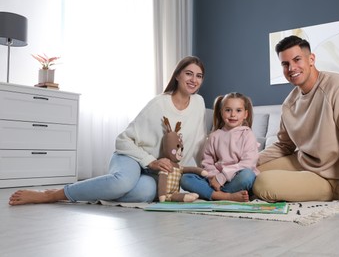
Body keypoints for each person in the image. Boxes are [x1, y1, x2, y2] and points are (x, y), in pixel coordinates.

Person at [9, 56, 207, 205]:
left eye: (199, 76)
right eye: (189, 73)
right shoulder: (159, 104)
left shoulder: (198, 103)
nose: (193, 80)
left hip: (156, 172)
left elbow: (198, 142)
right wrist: (151, 161)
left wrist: (202, 174)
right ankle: (52, 194)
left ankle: (89, 192)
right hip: (132, 157)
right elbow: (122, 140)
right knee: (122, 183)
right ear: (178, 75)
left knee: (146, 193)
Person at [253, 35, 339, 213]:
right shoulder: (289, 103)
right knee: (249, 172)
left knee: (263, 183)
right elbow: (284, 145)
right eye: (285, 64)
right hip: (302, 163)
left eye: (297, 59)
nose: (291, 68)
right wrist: (247, 161)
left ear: (311, 59)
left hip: (331, 179)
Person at [181, 92, 260, 202]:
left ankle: (214, 195)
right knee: (186, 178)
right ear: (221, 112)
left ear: (245, 114)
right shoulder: (214, 136)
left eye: (238, 110)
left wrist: (222, 176)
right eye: (228, 110)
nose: (233, 114)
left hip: (236, 179)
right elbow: (207, 162)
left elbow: (248, 163)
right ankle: (227, 196)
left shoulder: (248, 135)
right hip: (215, 181)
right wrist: (215, 177)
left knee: (248, 175)